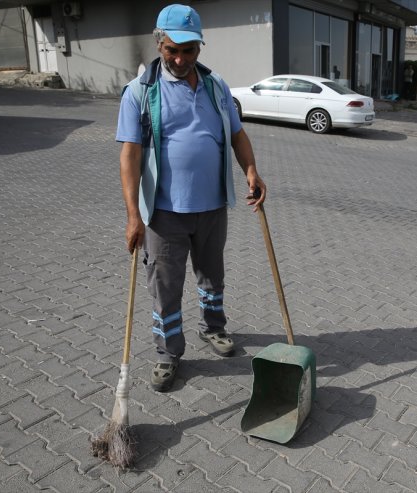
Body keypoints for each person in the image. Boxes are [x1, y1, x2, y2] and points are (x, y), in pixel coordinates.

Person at [116, 4, 266, 392]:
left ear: (200, 46)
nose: (180, 59)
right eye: (172, 50)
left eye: (189, 50)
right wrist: (134, 215)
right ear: (159, 43)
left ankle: (213, 328)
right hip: (165, 212)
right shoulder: (140, 92)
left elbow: (237, 134)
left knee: (212, 275)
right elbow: (130, 155)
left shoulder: (217, 86)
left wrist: (250, 171)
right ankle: (168, 353)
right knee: (165, 285)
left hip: (213, 205)